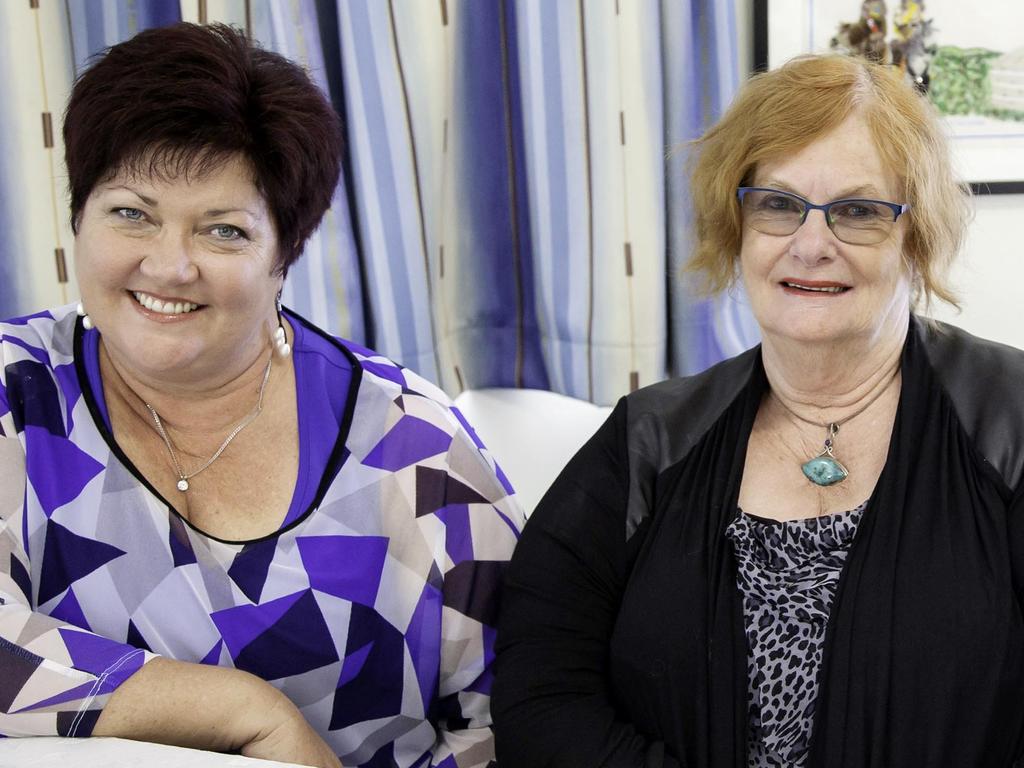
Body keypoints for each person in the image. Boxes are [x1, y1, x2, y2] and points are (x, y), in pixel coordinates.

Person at [0, 23, 522, 768]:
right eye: (131, 214)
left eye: (223, 231)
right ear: (77, 218)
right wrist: (247, 712)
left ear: (285, 254)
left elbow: (523, 713)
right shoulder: (15, 391)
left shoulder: (414, 448)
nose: (170, 265)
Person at [493, 53, 1024, 767]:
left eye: (858, 211)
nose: (811, 244)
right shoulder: (648, 439)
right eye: (777, 203)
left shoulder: (1011, 421)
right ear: (735, 223)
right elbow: (540, 689)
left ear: (915, 234)